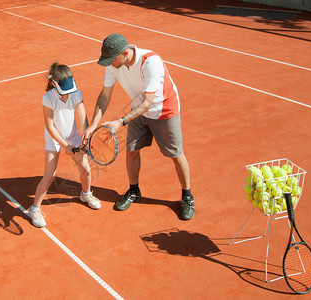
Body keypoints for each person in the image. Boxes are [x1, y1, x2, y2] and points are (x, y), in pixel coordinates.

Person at [83, 33, 195, 220]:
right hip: (138, 109)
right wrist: (93, 124)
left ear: (125, 53)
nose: (109, 64)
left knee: (176, 154)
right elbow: (105, 95)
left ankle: (187, 196)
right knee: (132, 150)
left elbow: (148, 102)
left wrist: (120, 121)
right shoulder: (114, 65)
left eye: (112, 59)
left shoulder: (150, 62)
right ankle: (134, 191)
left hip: (164, 110)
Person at [29, 62, 101, 228]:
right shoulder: (48, 99)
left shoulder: (76, 94)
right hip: (54, 138)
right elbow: (50, 126)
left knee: (85, 170)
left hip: (73, 137)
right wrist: (64, 146)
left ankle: (86, 194)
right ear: (54, 83)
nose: (68, 93)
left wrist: (85, 137)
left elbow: (83, 118)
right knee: (49, 175)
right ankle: (34, 209)